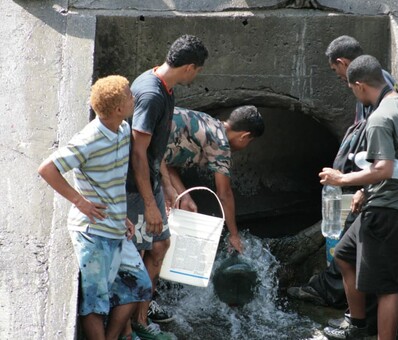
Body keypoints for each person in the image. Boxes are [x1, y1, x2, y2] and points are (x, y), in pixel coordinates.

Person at [287, 35, 398, 334]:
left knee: (360, 259)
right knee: (348, 251)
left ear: (343, 64)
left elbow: (385, 156)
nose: (342, 81)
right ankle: (352, 313)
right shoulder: (375, 93)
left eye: (340, 75)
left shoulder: (381, 100)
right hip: (364, 189)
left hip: (373, 194)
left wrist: (354, 184)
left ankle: (350, 311)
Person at [319, 55, 398, 340]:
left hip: (388, 211)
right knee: (345, 256)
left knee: (386, 287)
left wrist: (342, 179)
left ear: (359, 85)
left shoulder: (379, 119)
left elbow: (381, 168)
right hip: (383, 202)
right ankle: (358, 326)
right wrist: (368, 186)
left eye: (351, 88)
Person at [38, 75, 153, 340]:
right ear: (118, 109)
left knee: (139, 285)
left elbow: (111, 181)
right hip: (92, 232)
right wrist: (79, 201)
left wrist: (121, 215)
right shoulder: (88, 139)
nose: (134, 97)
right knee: (95, 304)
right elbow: (47, 169)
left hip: (114, 226)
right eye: (129, 95)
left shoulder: (123, 130)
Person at [125, 34, 208, 339]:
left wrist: (168, 189)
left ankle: (140, 317)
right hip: (134, 189)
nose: (196, 75)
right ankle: (133, 325)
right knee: (134, 257)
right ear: (188, 67)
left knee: (160, 245)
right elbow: (137, 151)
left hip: (150, 183)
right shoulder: (151, 95)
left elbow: (153, 149)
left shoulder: (164, 86)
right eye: (197, 70)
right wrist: (149, 203)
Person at [164, 105, 265, 253]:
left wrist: (184, 195)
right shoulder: (220, 145)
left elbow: (164, 159)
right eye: (250, 141)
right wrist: (234, 235)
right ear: (244, 136)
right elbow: (224, 194)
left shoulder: (206, 120)